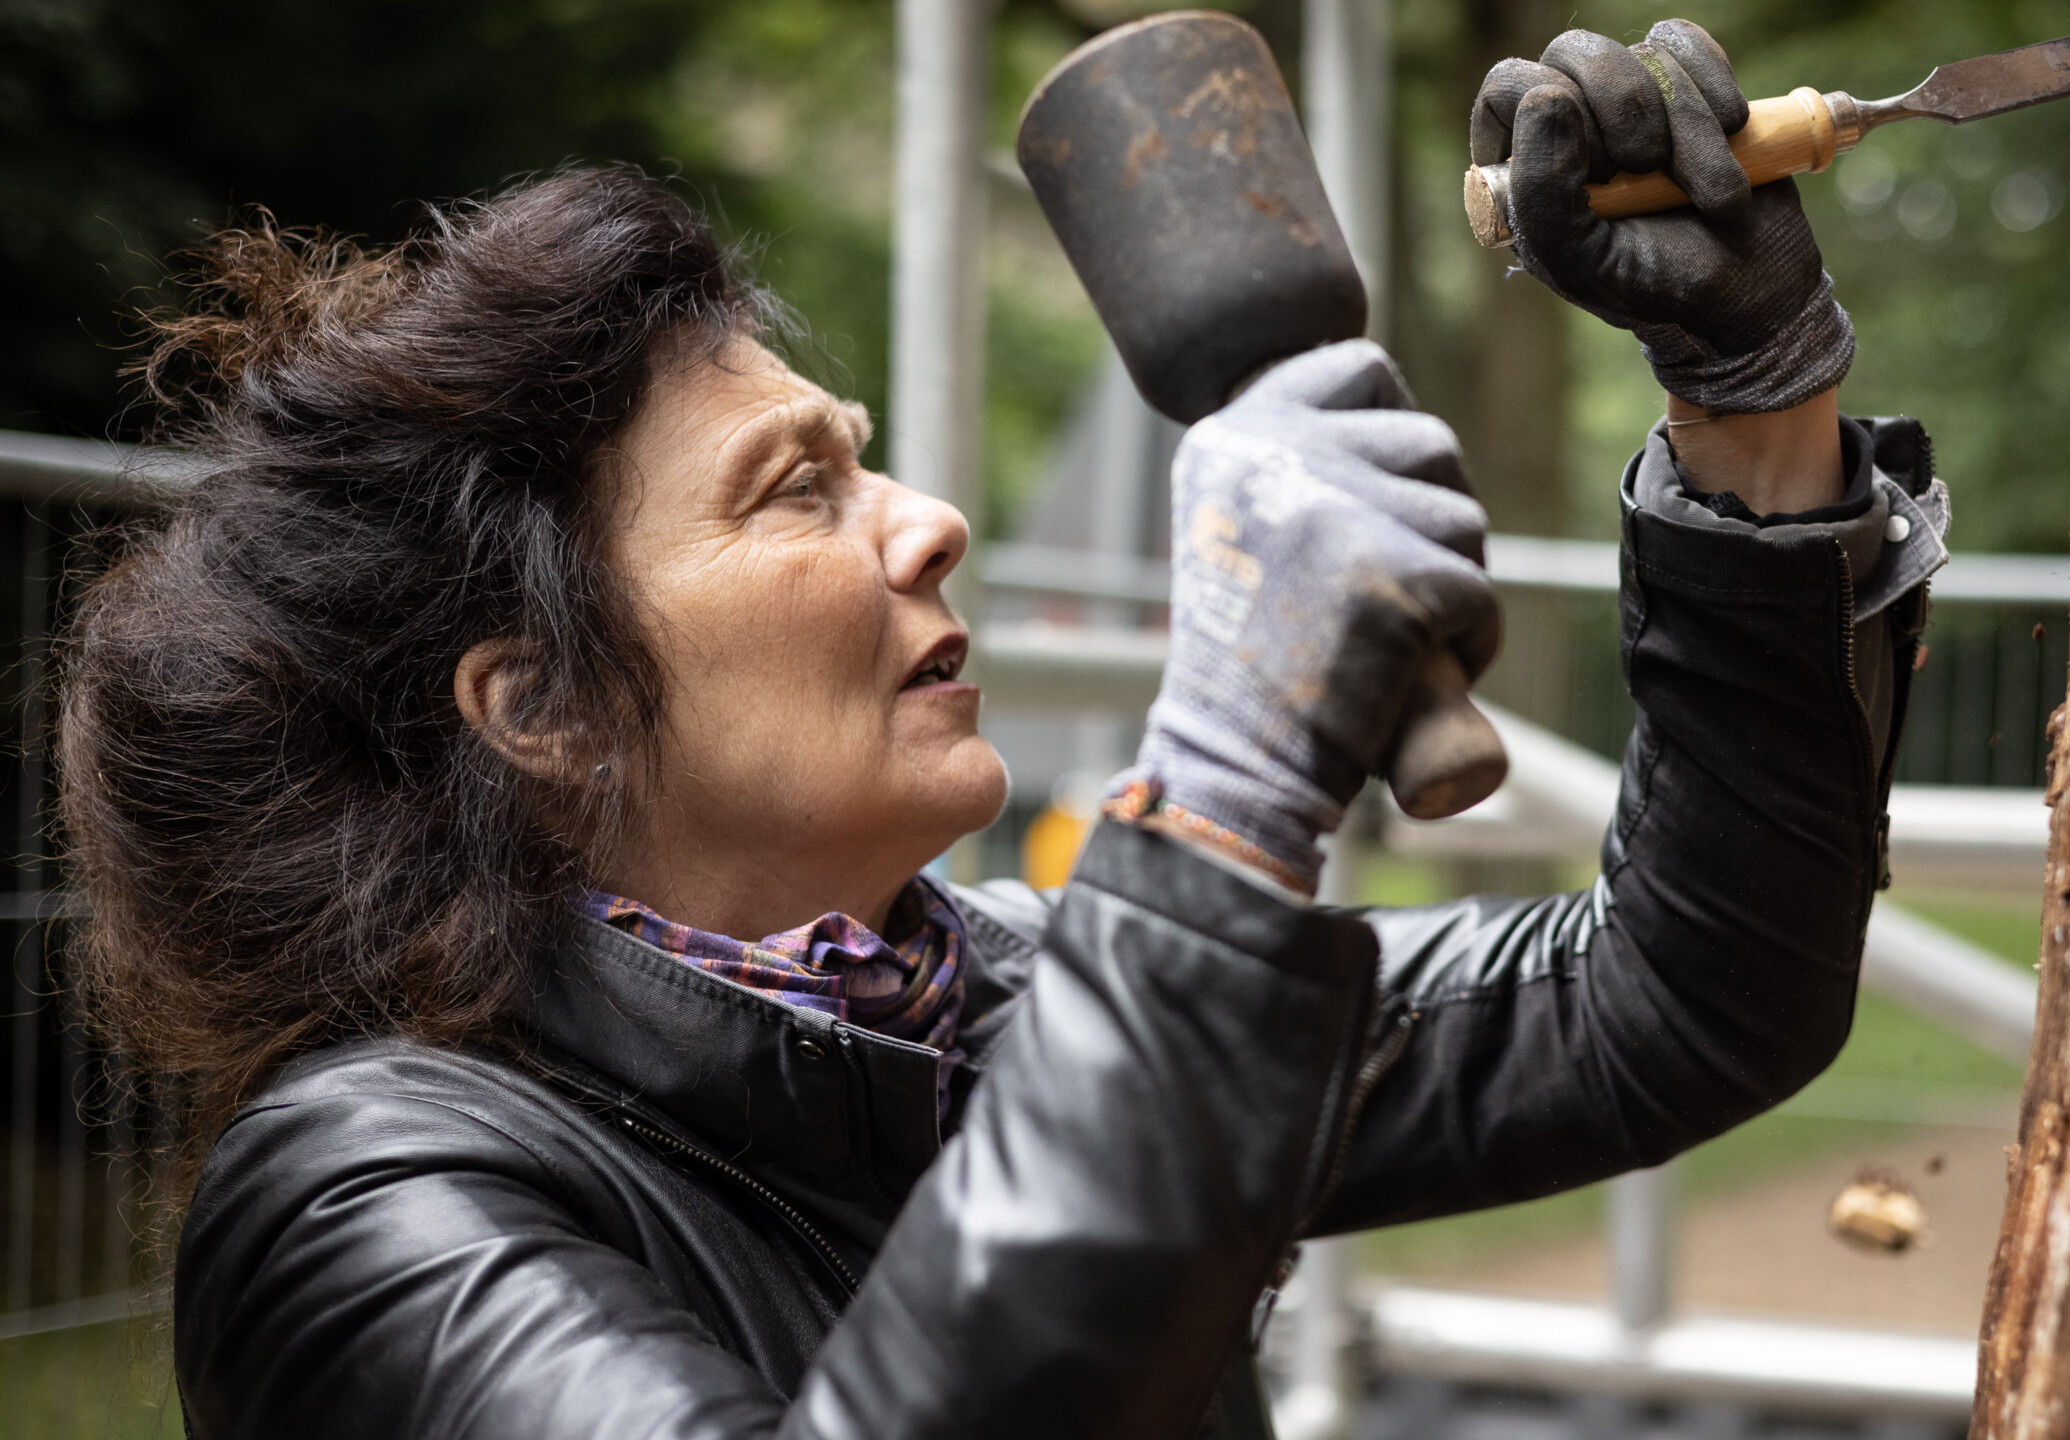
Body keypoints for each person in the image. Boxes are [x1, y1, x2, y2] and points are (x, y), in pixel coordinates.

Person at [63, 19, 1945, 1440]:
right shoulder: (355, 1204)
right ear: (539, 703)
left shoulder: (991, 1002)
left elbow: (1682, 999)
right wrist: (1215, 802)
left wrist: (1754, 423)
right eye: (796, 491)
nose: (928, 519)